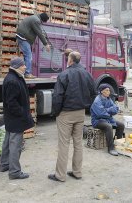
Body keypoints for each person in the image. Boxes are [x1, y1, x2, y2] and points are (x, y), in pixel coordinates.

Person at [48, 51, 96, 182]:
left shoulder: (64, 74)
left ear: (71, 60)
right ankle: (77, 172)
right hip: (80, 112)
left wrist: (55, 112)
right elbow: (93, 93)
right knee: (78, 143)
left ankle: (60, 175)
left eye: (68, 58)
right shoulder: (87, 74)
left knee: (64, 144)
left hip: (66, 113)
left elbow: (57, 96)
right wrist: (85, 107)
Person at [0, 57, 34, 180]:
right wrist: (21, 113)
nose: (25, 67)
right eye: (23, 65)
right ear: (17, 66)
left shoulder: (13, 77)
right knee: (15, 145)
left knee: (7, 141)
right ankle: (14, 172)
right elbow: (12, 102)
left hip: (11, 118)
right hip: (15, 118)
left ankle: (5, 165)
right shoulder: (13, 80)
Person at [90, 84, 125, 156]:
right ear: (102, 91)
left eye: (109, 90)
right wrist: (110, 111)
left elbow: (115, 109)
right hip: (97, 121)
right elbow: (101, 114)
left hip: (108, 119)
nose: (109, 92)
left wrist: (107, 110)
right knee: (108, 126)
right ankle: (111, 148)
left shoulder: (108, 98)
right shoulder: (97, 101)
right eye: (107, 90)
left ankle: (116, 144)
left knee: (121, 125)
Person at [16, 13, 51, 79]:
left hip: (22, 36)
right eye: (43, 22)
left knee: (26, 56)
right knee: (29, 56)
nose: (42, 23)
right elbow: (39, 33)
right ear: (42, 20)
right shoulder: (36, 20)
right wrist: (46, 44)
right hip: (23, 37)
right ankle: (28, 73)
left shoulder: (34, 17)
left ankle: (24, 72)